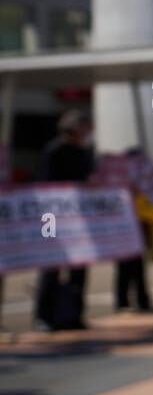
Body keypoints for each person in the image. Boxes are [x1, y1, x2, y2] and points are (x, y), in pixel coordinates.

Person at [34, 111, 95, 331]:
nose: (88, 133)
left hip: (78, 221)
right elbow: (46, 184)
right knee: (51, 267)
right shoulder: (54, 151)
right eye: (85, 128)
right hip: (54, 219)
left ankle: (74, 315)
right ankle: (45, 317)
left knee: (79, 268)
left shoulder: (83, 152)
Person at [113, 147, 153, 313]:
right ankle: (126, 300)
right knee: (127, 265)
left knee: (135, 266)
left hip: (136, 226)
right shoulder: (121, 179)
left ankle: (138, 300)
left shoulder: (141, 181)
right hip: (125, 228)